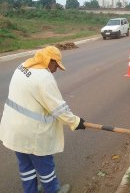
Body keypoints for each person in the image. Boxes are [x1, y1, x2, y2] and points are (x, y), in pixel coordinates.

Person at [0, 46, 86, 193]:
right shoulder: (44, 78)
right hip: (32, 133)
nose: (56, 69)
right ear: (49, 60)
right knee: (45, 167)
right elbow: (59, 109)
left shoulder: (23, 66)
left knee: (25, 166)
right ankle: (53, 191)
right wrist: (76, 122)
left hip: (13, 128)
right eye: (56, 65)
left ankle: (30, 191)